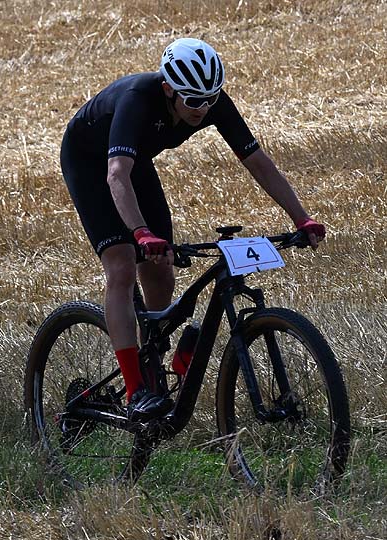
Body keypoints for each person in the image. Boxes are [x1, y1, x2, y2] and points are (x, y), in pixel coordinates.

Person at [60, 37, 325, 421]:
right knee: (122, 266)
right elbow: (116, 174)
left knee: (161, 270)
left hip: (135, 162)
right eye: (194, 100)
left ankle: (153, 364)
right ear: (169, 89)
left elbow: (258, 162)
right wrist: (140, 232)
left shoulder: (211, 102)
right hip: (90, 162)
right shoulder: (138, 99)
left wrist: (302, 218)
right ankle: (135, 391)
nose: (203, 108)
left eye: (210, 99)